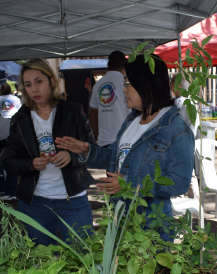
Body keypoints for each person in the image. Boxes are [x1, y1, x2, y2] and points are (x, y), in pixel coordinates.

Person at [56, 55, 195, 242]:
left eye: (128, 83)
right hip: (120, 217)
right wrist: (86, 150)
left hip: (150, 226)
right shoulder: (132, 119)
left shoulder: (177, 129)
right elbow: (113, 157)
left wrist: (131, 184)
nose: (123, 89)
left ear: (146, 85)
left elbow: (179, 182)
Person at [1, 58, 96, 245]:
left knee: (85, 257)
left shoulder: (73, 112)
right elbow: (7, 159)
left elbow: (93, 150)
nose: (34, 89)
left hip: (73, 200)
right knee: (42, 263)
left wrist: (72, 156)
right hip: (35, 202)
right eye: (28, 84)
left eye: (39, 81)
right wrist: (30, 164)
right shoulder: (19, 119)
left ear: (51, 81)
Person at [88, 51, 130, 147]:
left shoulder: (97, 85)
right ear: (124, 66)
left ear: (108, 65)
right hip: (124, 139)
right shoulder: (125, 83)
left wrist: (98, 136)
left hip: (104, 140)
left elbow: (92, 114)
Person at [170, 71, 200, 201]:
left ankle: (188, 204)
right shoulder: (188, 101)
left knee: (183, 176)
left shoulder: (182, 103)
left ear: (179, 84)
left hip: (180, 146)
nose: (169, 83)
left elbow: (176, 126)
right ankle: (195, 204)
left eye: (172, 81)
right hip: (186, 144)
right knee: (189, 174)